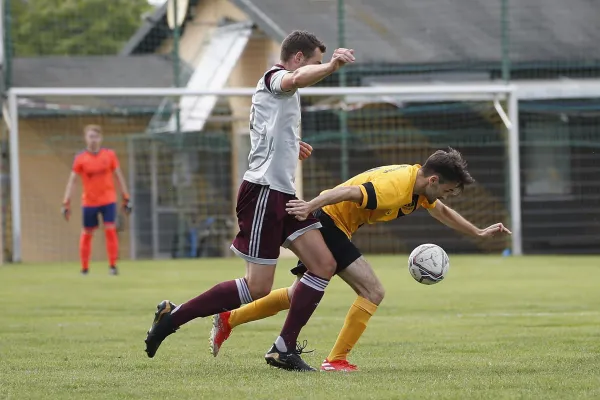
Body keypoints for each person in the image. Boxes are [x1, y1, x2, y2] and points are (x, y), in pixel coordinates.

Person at [144, 30, 355, 372]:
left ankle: (283, 349)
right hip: (262, 194)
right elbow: (297, 78)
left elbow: (273, 123)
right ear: (298, 58)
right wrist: (331, 67)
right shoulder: (275, 77)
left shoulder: (283, 91)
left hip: (282, 195)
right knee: (258, 287)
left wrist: (290, 144)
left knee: (323, 265)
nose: (316, 69)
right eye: (315, 61)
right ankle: (173, 316)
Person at [209, 148, 512, 371]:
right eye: (447, 190)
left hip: (333, 225)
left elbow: (441, 211)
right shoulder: (395, 188)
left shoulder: (420, 188)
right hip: (328, 223)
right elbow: (345, 192)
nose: (446, 196)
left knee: (295, 294)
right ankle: (336, 359)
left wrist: (478, 231)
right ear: (433, 180)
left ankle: (228, 319)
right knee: (373, 291)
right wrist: (309, 207)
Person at [61, 124, 132, 275]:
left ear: (101, 138)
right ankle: (84, 268)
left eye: (96, 136)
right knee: (87, 233)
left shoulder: (109, 155)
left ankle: (112, 266)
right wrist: (66, 202)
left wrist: (126, 197)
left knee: (110, 230)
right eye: (90, 136)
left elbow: (119, 176)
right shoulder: (80, 158)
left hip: (108, 200)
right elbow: (72, 180)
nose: (93, 140)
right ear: (85, 138)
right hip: (89, 201)